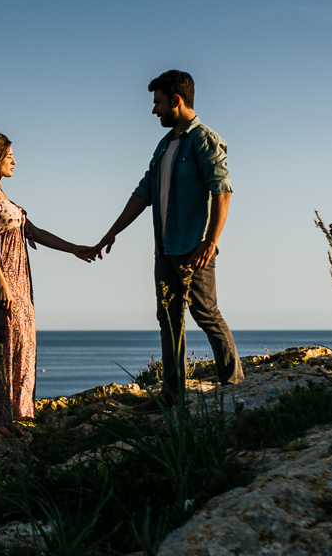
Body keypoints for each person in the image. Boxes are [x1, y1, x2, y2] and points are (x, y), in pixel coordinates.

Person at [91, 69, 243, 399]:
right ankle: (173, 392)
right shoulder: (165, 145)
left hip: (193, 247)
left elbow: (223, 191)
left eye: (158, 102)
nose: (154, 110)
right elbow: (143, 193)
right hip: (165, 248)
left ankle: (233, 383)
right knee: (169, 319)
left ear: (176, 100)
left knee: (205, 313)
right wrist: (111, 233)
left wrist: (210, 242)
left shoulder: (204, 139)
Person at [0, 133, 94, 437]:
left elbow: (36, 233)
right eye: (9, 156)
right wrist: (2, 285)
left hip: (19, 279)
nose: (14, 161)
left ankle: (9, 415)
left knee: (20, 343)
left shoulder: (4, 195)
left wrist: (74, 248)